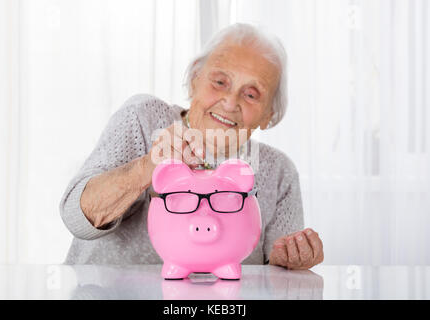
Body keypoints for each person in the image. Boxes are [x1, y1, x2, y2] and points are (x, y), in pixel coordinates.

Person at [59, 23, 324, 270]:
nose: (230, 102)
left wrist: (288, 262)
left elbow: (281, 278)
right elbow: (76, 217)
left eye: (251, 94)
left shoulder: (279, 171)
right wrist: (147, 167)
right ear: (195, 78)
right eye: (220, 82)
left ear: (270, 114)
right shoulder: (143, 117)